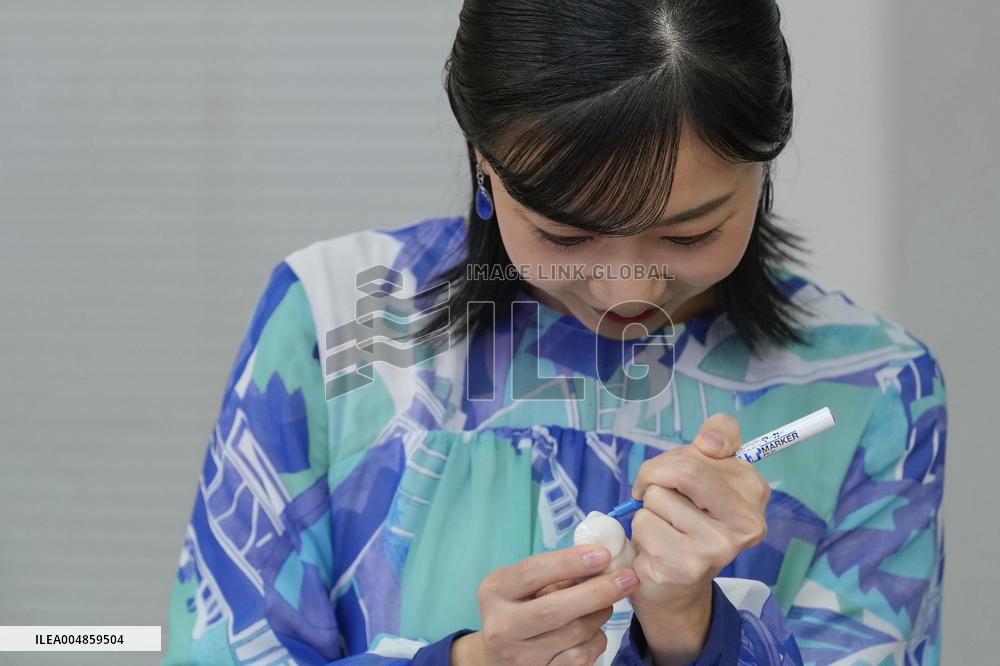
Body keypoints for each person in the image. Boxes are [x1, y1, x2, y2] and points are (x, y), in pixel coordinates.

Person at [161, 1, 947, 664]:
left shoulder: (872, 393)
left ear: (762, 168)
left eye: (688, 233)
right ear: (483, 160)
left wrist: (689, 634)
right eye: (566, 237)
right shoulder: (341, 321)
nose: (624, 291)